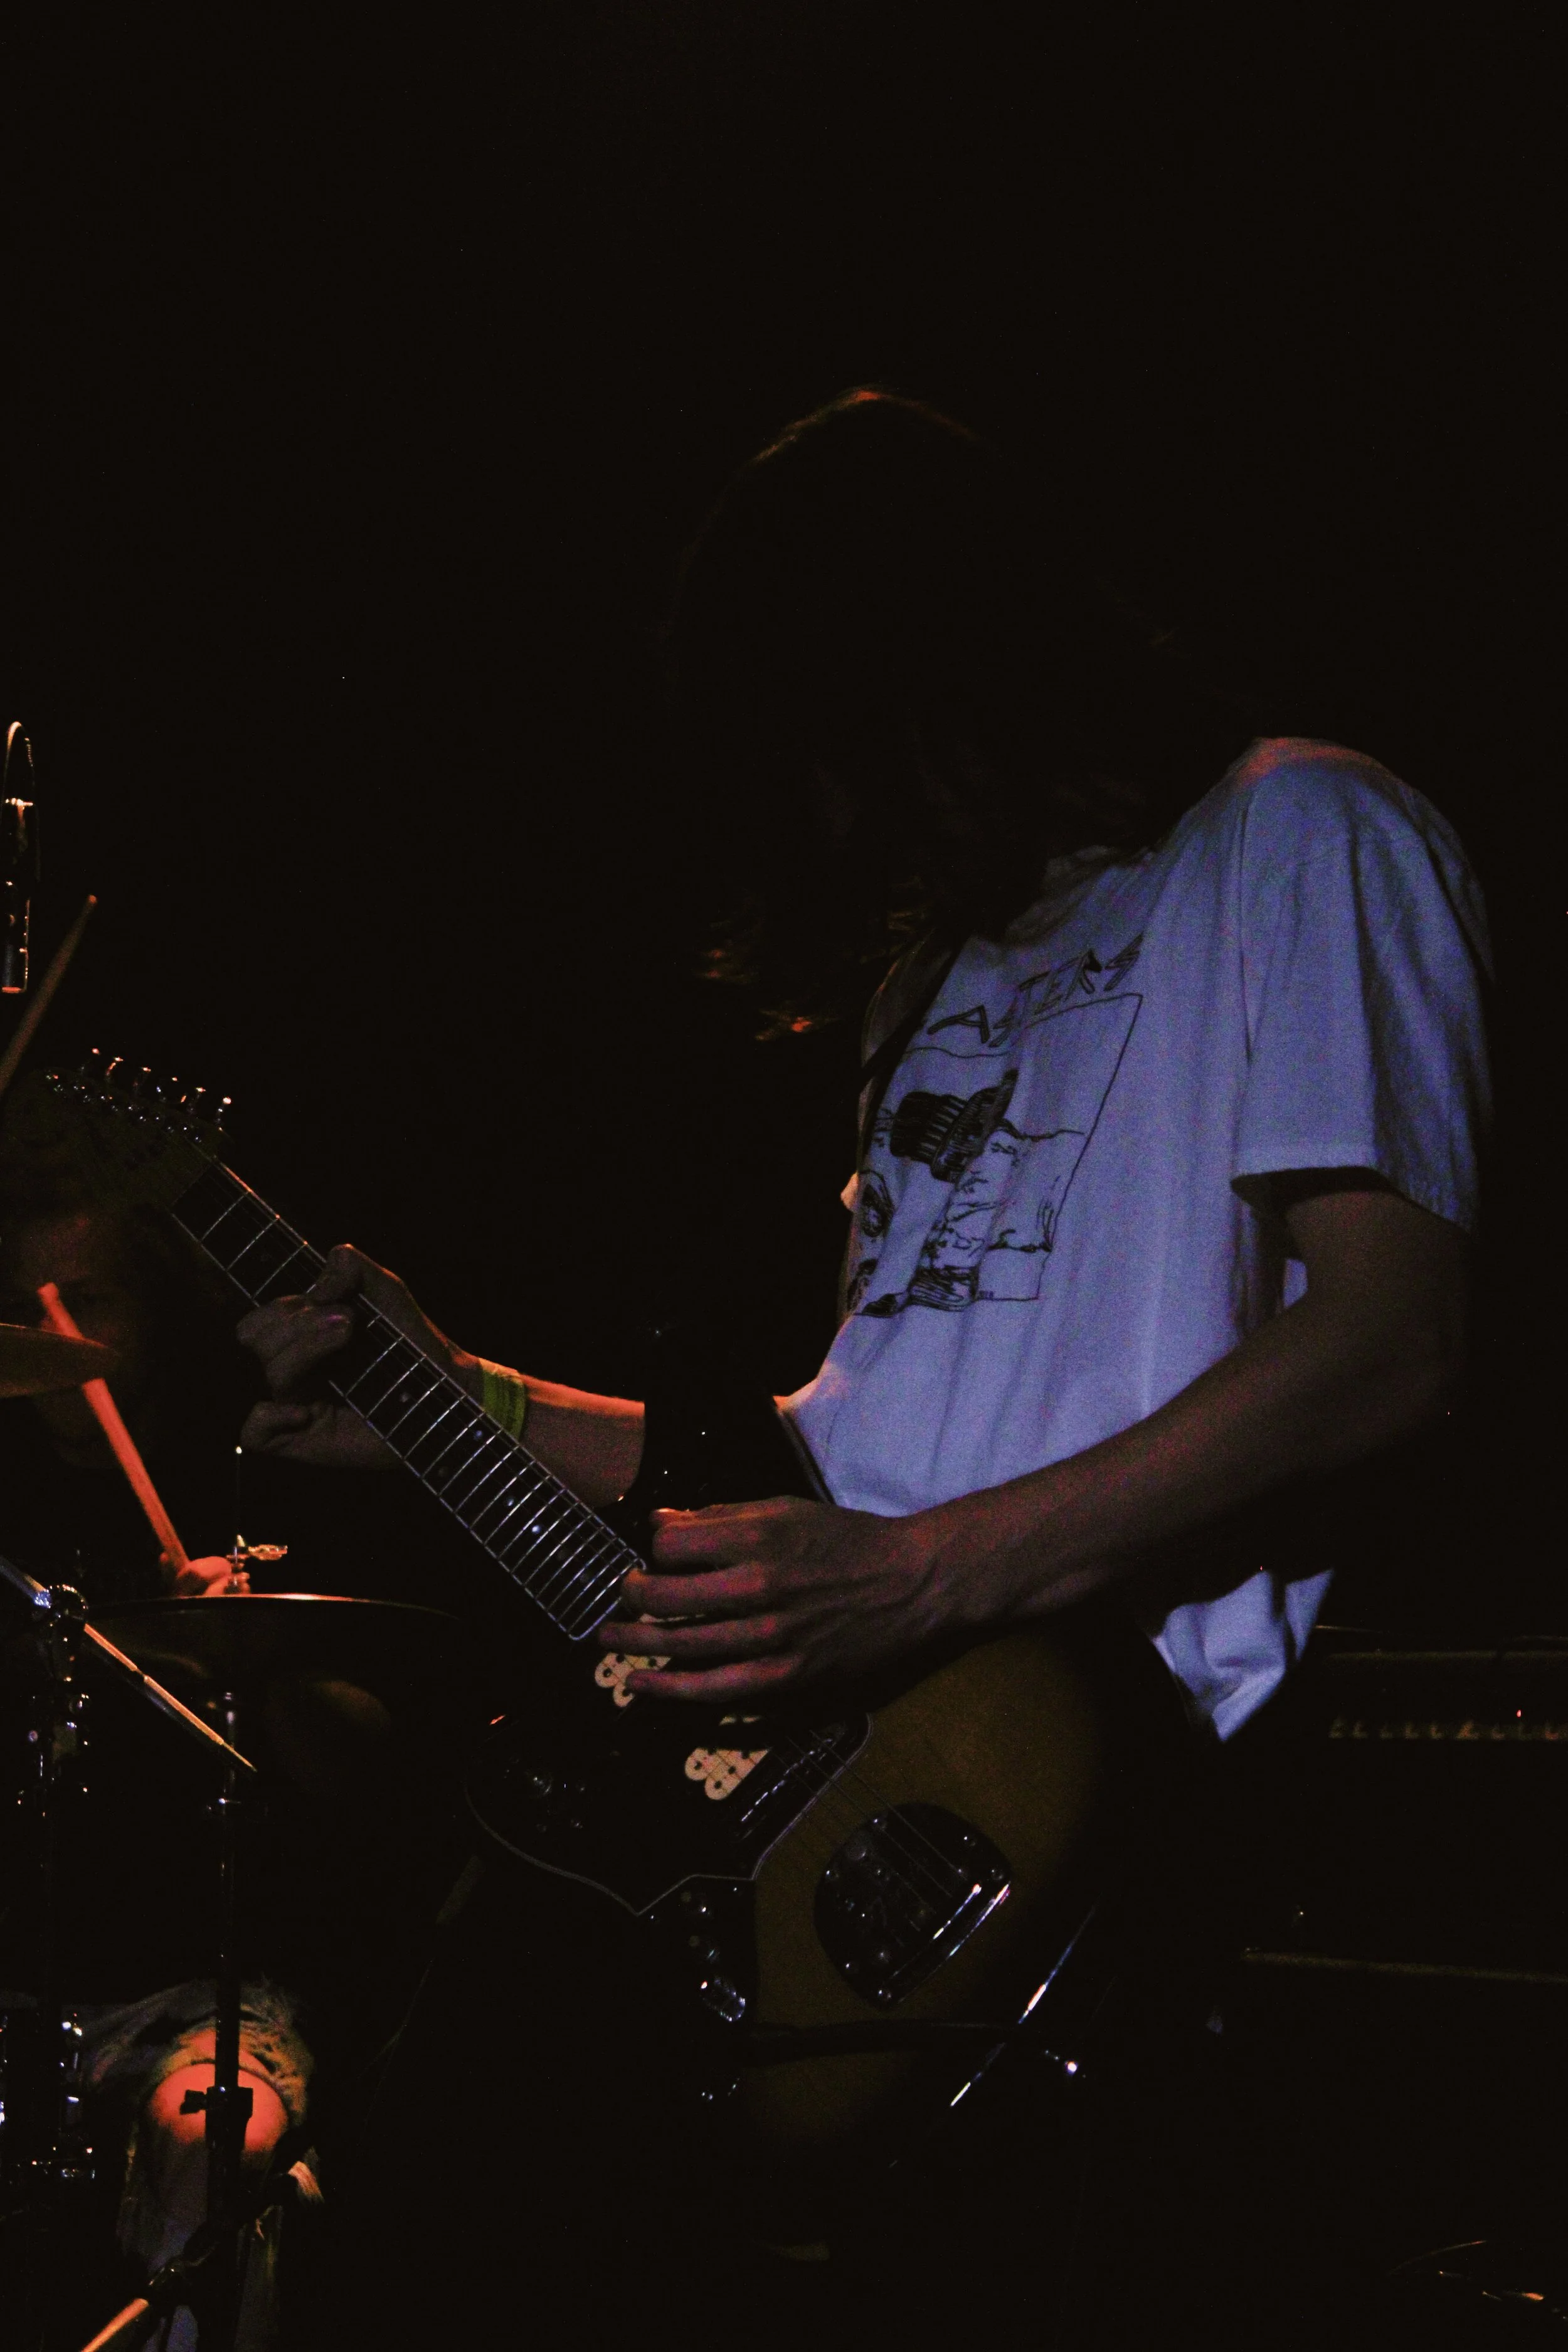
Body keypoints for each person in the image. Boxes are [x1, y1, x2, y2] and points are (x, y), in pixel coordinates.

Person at [234, 390, 1489, 2334]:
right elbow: (850, 1445)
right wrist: (443, 1392)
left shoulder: (1299, 830)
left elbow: (1385, 1339)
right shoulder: (933, 979)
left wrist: (924, 1573)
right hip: (849, 1781)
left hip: (1118, 1784)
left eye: (822, 751)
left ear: (933, 666)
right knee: (437, 2178)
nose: (818, 822)